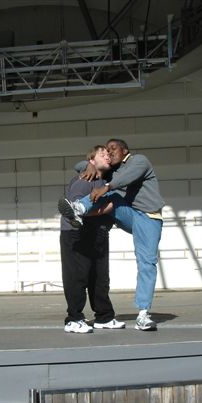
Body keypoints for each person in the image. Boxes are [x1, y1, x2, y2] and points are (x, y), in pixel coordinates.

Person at [58, 138, 164, 331]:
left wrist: (105, 186)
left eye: (113, 149)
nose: (110, 152)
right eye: (106, 150)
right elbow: (79, 164)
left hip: (149, 218)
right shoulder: (112, 171)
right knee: (113, 197)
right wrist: (88, 166)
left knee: (147, 262)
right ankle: (79, 208)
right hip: (129, 214)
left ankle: (143, 315)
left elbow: (125, 178)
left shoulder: (139, 161)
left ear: (125, 150)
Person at [60, 145, 125, 334]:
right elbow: (74, 209)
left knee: (100, 278)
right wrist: (107, 209)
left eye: (108, 154)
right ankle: (74, 319)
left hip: (98, 232)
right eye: (102, 154)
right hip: (76, 234)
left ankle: (104, 317)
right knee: (77, 277)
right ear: (91, 161)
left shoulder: (106, 180)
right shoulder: (85, 179)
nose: (107, 156)